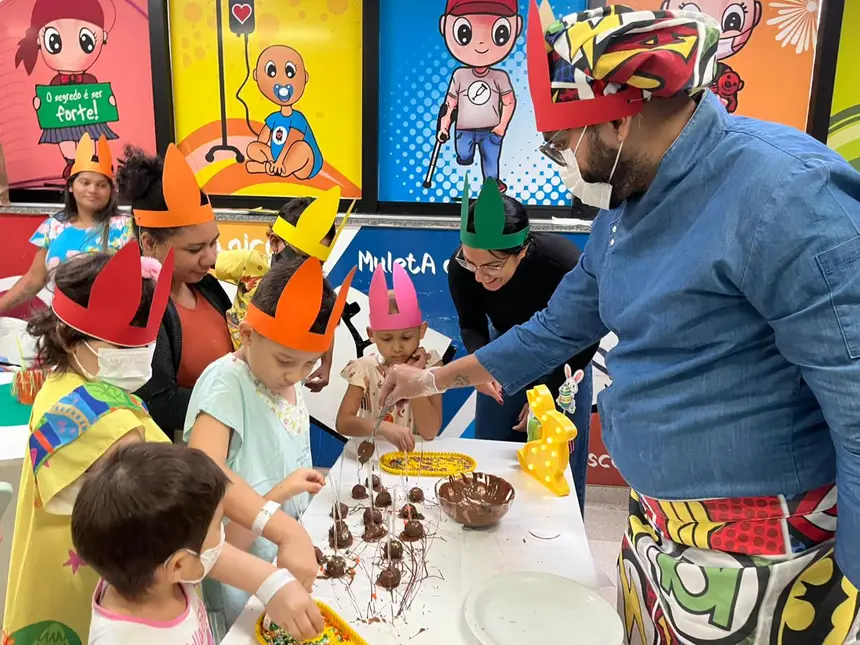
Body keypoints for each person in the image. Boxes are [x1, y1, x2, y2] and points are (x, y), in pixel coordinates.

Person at [380, 4, 860, 642]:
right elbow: (557, 328)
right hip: (657, 527)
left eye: (561, 143)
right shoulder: (627, 204)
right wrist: (433, 380)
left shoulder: (787, 195)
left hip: (767, 544)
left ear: (619, 118)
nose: (561, 162)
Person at [2, 244, 174, 644]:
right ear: (68, 336)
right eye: (123, 346)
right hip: (87, 595)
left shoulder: (71, 380)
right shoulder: (98, 419)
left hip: (62, 577)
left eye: (145, 346)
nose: (138, 358)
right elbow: (169, 504)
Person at [185, 255, 356, 627]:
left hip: (285, 560)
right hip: (241, 574)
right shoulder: (225, 384)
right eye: (285, 361)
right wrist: (280, 502)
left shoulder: (283, 381)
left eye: (309, 364)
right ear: (247, 335)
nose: (295, 375)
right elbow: (205, 470)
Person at [72, 442, 325, 643]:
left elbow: (214, 557)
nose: (222, 536)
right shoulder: (120, 639)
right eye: (217, 527)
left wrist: (275, 584)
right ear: (178, 565)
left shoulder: (144, 565)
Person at [449, 177, 596, 509]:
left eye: (492, 266)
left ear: (522, 250)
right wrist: (482, 365)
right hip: (503, 354)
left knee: (559, 466)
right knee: (493, 457)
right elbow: (471, 324)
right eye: (472, 263)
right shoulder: (462, 267)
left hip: (567, 358)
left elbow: (587, 333)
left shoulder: (561, 262)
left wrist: (551, 391)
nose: (479, 276)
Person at [118, 145, 233, 438]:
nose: (211, 258)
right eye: (195, 249)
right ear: (149, 243)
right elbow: (159, 403)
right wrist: (239, 404)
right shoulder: (141, 307)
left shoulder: (207, 286)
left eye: (213, 243)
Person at [215, 187, 351, 391]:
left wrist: (326, 364)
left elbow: (325, 327)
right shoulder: (249, 263)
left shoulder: (312, 288)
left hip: (279, 376)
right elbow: (203, 261)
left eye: (317, 263)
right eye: (302, 257)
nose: (306, 269)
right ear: (274, 242)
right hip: (238, 371)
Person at [0, 134, 132, 316]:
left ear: (111, 191)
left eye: (102, 185)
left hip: (107, 320)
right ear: (71, 186)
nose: (93, 190)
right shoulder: (53, 226)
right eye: (85, 182)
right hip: (60, 322)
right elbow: (33, 280)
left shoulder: (125, 227)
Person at [336, 263, 443, 452]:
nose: (397, 347)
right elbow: (343, 423)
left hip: (414, 458)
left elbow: (430, 432)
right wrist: (382, 427)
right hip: (374, 457)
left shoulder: (430, 365)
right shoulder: (364, 369)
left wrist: (414, 377)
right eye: (386, 339)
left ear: (422, 330)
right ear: (371, 334)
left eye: (406, 337)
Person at [14, 0, 119, 177]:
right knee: (65, 140)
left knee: (90, 137)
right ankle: (72, 162)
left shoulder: (90, 80)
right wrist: (40, 104)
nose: (70, 54)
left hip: (88, 119)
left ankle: (92, 161)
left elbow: (100, 99)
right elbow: (48, 101)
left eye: (86, 41)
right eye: (54, 41)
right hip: (62, 121)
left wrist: (108, 102)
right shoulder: (56, 82)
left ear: (103, 37)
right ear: (39, 40)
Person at [437, 0, 522, 192]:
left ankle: (492, 189)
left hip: (491, 130)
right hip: (464, 129)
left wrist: (501, 127)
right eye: (464, 33)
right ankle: (465, 159)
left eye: (500, 33)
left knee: (491, 163)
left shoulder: (500, 77)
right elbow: (450, 103)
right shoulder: (460, 75)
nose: (481, 43)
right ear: (444, 26)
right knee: (464, 155)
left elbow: (509, 102)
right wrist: (444, 127)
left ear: (517, 27)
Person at [245, 45, 323, 180]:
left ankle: (276, 169)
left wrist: (280, 161)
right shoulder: (273, 118)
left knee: (302, 147)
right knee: (252, 148)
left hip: (305, 164)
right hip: (277, 157)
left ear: (305, 77)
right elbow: (261, 141)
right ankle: (273, 168)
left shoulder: (298, 118)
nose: (282, 82)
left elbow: (292, 140)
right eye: (272, 72)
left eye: (290, 72)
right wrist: (269, 158)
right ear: (256, 75)